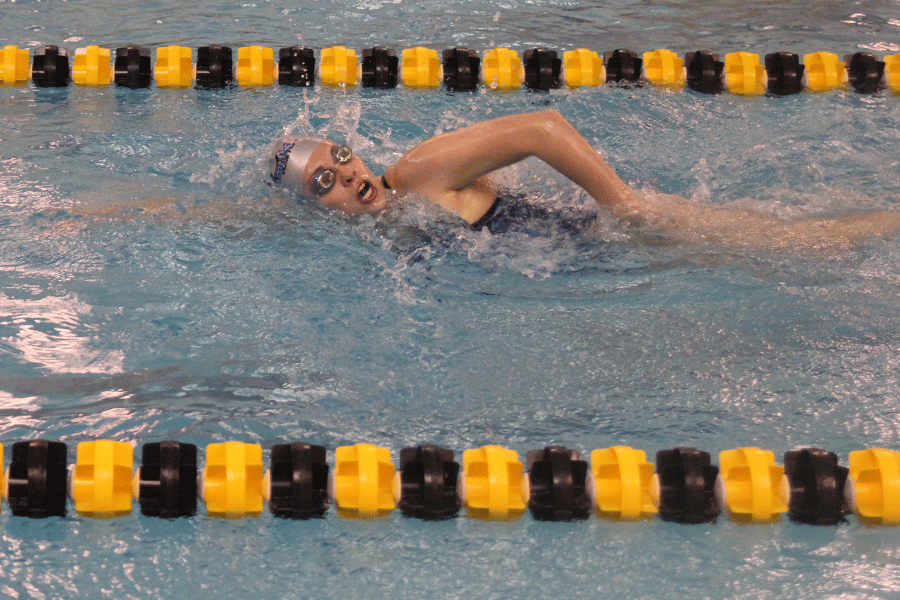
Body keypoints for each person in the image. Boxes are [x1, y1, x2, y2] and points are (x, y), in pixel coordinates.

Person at [276, 109, 899, 249]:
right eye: (325, 182)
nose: (349, 173)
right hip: (602, 263)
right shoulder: (385, 232)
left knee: (820, 244)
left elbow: (543, 128)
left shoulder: (413, 175)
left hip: (624, 237)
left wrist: (623, 205)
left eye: (342, 155)